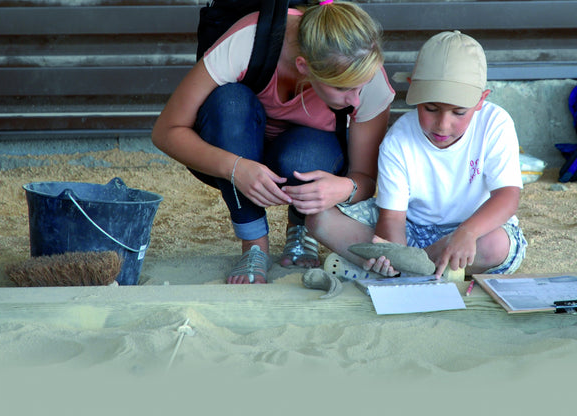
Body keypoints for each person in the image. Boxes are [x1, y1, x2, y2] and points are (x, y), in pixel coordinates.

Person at [152, 1, 394, 284]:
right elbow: (166, 131)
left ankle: (300, 227)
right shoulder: (250, 40)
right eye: (342, 88)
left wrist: (344, 188)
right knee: (230, 102)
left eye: (360, 87)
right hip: (235, 147)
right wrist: (236, 168)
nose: (355, 100)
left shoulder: (370, 76)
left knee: (303, 157)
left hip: (308, 155)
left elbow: (366, 178)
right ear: (304, 66)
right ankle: (254, 244)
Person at [307, 30, 527, 279]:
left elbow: (508, 197)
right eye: (431, 108)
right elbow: (392, 218)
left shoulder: (495, 123)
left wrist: (467, 232)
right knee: (319, 219)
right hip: (412, 229)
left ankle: (402, 270)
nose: (443, 125)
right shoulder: (398, 140)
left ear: (480, 100)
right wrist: (393, 252)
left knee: (496, 246)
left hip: (474, 227)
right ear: (413, 90)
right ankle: (431, 270)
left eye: (459, 112)